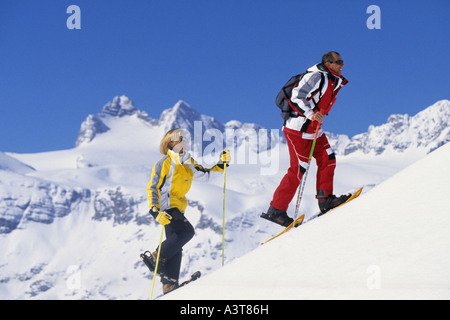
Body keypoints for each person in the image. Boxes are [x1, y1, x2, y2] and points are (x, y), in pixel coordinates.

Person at [264, 51, 350, 227]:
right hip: (298, 129)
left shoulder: (333, 80)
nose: (342, 65)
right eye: (338, 62)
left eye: (342, 62)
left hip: (314, 130)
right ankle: (276, 210)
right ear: (328, 63)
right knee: (299, 169)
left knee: (328, 157)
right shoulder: (317, 76)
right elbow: (296, 96)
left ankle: (325, 199)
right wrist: (311, 114)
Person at [141, 128, 229, 295]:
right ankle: (155, 257)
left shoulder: (188, 161)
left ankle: (169, 284)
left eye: (184, 139)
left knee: (176, 244)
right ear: (170, 144)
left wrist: (221, 165)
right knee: (186, 232)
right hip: (167, 205)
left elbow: (204, 175)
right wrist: (155, 210)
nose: (184, 142)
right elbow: (154, 187)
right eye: (179, 139)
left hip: (178, 206)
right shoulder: (165, 163)